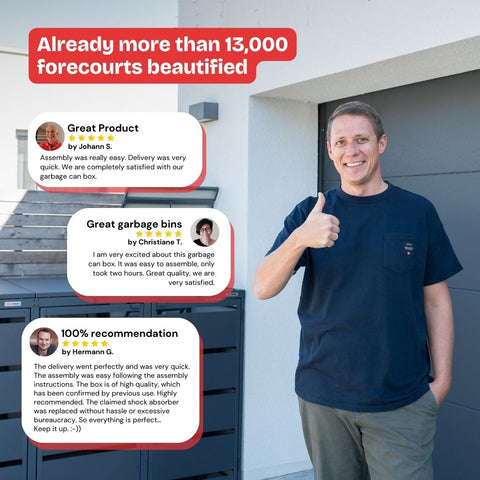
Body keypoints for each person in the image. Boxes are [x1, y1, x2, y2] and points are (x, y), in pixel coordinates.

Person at [253, 101, 462, 480]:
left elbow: (436, 302)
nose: (352, 151)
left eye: (362, 139)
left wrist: (442, 382)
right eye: (342, 142)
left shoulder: (417, 212)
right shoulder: (310, 213)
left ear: (381, 143)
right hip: (323, 400)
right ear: (330, 150)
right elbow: (263, 286)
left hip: (401, 401)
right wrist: (300, 239)